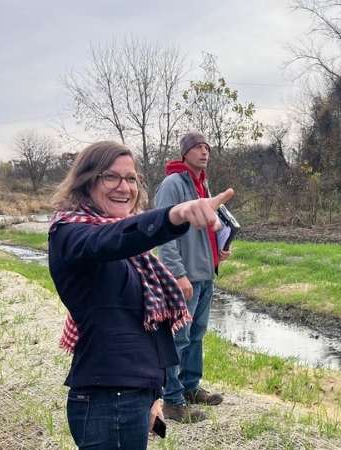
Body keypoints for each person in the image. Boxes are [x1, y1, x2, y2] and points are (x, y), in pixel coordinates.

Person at [48, 141, 233, 449]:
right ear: (86, 181)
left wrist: (155, 396)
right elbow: (112, 240)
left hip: (132, 395)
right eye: (111, 177)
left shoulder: (134, 251)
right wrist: (174, 215)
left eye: (131, 178)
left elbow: (146, 327)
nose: (125, 187)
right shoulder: (71, 234)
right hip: (108, 401)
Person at [155, 131, 230, 422]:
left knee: (196, 335)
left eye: (207, 147)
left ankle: (190, 387)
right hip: (184, 278)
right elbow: (165, 235)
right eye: (197, 147)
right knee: (178, 337)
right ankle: (172, 401)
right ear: (184, 153)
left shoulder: (202, 184)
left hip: (205, 273)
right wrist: (178, 275)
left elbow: (205, 227)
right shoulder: (173, 184)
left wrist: (219, 250)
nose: (204, 152)